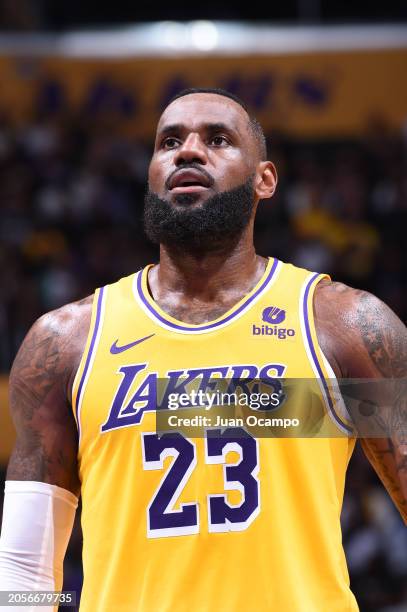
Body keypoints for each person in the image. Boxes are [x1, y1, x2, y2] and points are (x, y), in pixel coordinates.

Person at [0, 87, 406, 611]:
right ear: (150, 173)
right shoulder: (64, 343)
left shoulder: (344, 326)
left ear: (265, 179)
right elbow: (24, 569)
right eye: (169, 141)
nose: (188, 151)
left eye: (218, 139)